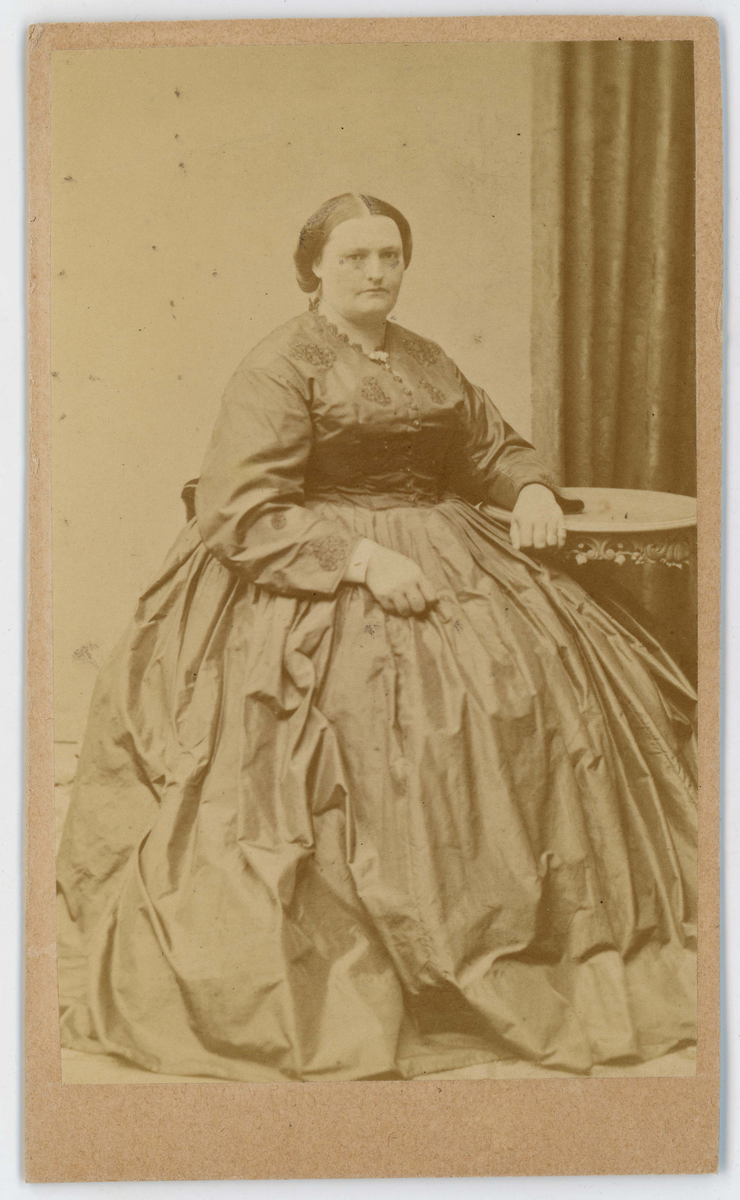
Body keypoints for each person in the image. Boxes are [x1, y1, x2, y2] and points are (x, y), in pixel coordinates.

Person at [57, 193, 697, 1082]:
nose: (375, 272)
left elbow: (489, 448)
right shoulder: (280, 365)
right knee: (363, 741)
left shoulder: (425, 357)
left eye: (389, 256)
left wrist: (530, 488)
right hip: (309, 571)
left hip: (450, 548)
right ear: (314, 267)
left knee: (535, 692)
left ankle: (526, 925)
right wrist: (357, 560)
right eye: (355, 256)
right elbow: (238, 507)